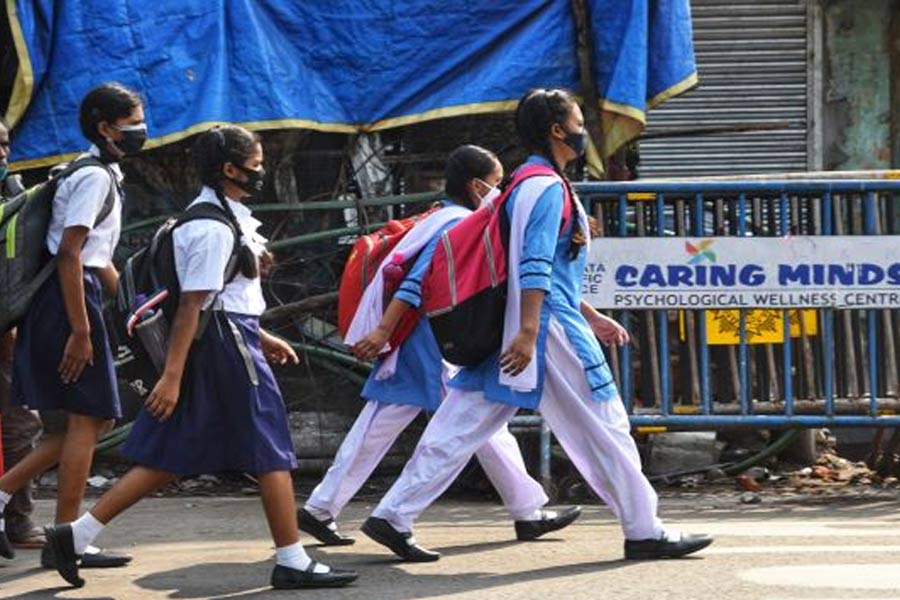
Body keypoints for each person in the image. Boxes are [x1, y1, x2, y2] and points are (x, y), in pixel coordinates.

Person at [364, 89, 713, 561]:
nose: (583, 127)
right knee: (606, 423)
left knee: (459, 423)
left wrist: (576, 315)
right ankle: (644, 528)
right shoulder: (546, 187)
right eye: (577, 118)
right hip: (546, 329)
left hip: (520, 326)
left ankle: (394, 514)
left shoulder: (524, 184)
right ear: (557, 130)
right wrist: (530, 331)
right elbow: (534, 264)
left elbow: (538, 265)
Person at [44, 125, 358, 590]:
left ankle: (76, 534)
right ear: (228, 169)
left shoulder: (221, 217)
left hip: (226, 338)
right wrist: (171, 377)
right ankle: (292, 559)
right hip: (226, 347)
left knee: (172, 456)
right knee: (271, 451)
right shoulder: (211, 226)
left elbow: (217, 299)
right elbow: (192, 304)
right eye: (254, 165)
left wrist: (262, 333)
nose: (260, 171)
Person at [299, 145, 579, 561]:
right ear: (476, 185)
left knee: (475, 423)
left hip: (425, 338)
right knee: (400, 424)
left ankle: (526, 508)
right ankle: (326, 508)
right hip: (425, 341)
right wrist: (383, 330)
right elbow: (417, 281)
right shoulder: (461, 222)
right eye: (496, 182)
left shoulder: (440, 216)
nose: (499, 191)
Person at [0, 83, 146, 567]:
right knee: (88, 419)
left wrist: (131, 310)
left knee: (96, 418)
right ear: (105, 127)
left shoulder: (103, 172)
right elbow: (69, 252)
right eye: (132, 124)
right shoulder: (94, 177)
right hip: (67, 302)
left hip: (73, 298)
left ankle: (7, 500)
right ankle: (67, 539)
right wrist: (82, 331)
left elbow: (98, 258)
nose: (141, 132)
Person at [0, 118, 45, 553]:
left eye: (5, 143)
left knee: (20, 425)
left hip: (8, 327)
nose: (1, 152)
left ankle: (18, 517)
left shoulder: (15, 193)